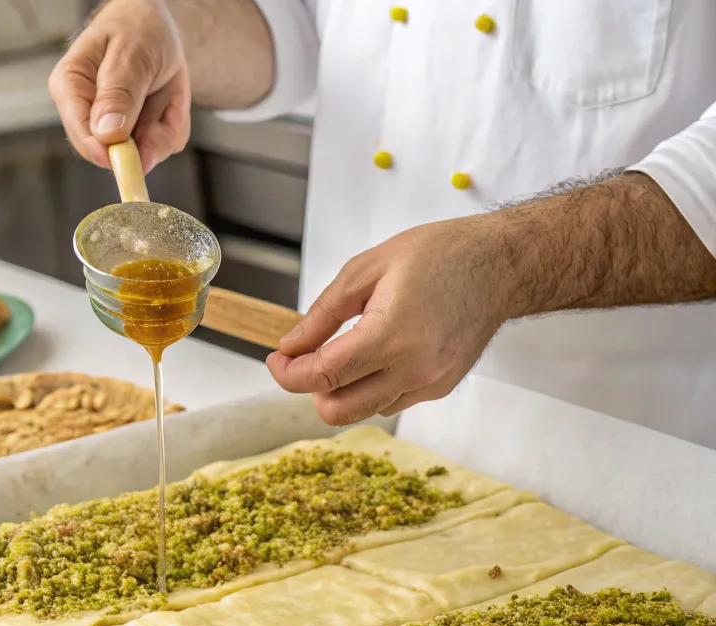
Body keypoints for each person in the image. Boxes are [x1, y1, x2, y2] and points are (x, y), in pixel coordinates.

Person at [50, 1, 716, 447]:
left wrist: (504, 266)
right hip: (344, 420)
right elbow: (303, 22)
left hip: (619, 439)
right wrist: (172, 23)